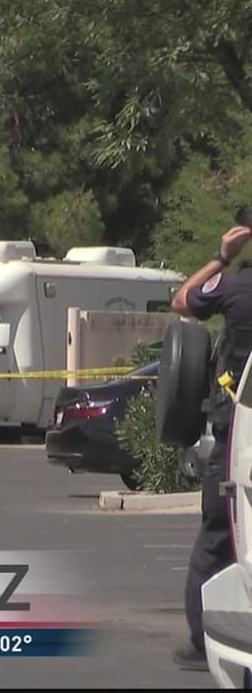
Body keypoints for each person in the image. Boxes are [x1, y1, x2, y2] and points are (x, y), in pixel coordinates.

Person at [170, 219, 252, 671]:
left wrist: (223, 256)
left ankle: (205, 643)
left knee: (219, 534)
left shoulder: (235, 287)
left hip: (241, 430)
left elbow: (182, 300)